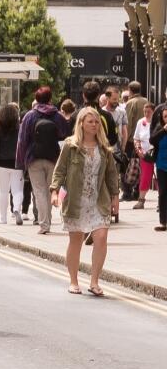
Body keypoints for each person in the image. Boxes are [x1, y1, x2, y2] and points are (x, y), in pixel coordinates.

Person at [51, 107, 120, 296]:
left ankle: (94, 281)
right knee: (76, 240)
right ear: (81, 123)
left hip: (99, 200)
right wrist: (54, 192)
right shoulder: (70, 145)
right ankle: (73, 281)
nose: (94, 125)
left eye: (97, 122)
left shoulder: (104, 149)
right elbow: (59, 170)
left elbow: (111, 175)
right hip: (76, 200)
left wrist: (115, 197)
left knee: (101, 237)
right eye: (90, 121)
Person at [16, 86, 70, 235]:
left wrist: (20, 162)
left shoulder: (29, 116)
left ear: (37, 99)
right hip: (53, 157)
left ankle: (44, 224)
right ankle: (48, 220)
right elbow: (65, 134)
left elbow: (22, 140)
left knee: (39, 191)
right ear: (50, 99)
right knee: (50, 190)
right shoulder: (57, 116)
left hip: (34, 158)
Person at [0, 103, 23, 226]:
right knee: (17, 190)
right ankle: (17, 209)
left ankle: (3, 218)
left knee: (3, 191)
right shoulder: (20, 130)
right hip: (16, 164)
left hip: (1, 164)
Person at [132, 101, 155, 210]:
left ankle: (162, 201)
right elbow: (136, 138)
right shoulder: (140, 122)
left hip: (157, 152)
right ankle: (141, 201)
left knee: (160, 177)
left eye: (148, 112)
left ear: (153, 112)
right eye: (145, 111)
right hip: (145, 153)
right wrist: (138, 149)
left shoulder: (157, 122)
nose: (146, 114)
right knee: (145, 176)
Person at [149, 108, 167, 231]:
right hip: (162, 165)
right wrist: (163, 130)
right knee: (163, 193)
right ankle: (163, 222)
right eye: (165, 117)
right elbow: (152, 140)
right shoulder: (159, 128)